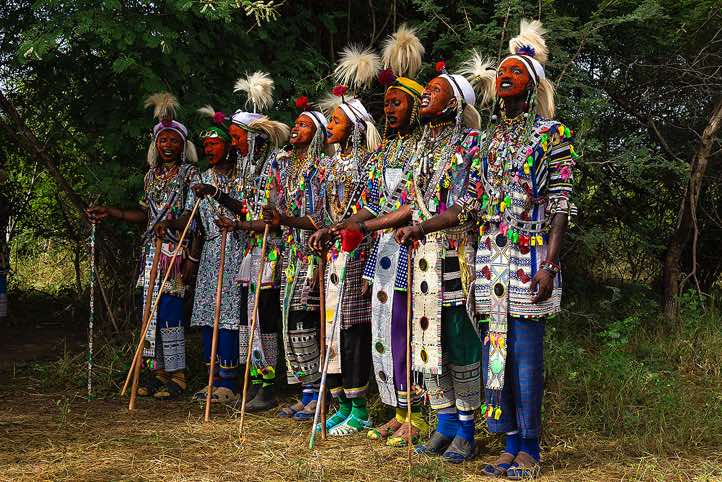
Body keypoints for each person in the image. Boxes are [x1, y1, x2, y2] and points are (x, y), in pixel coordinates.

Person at [398, 20, 578, 478]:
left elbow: (560, 206)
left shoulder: (552, 135)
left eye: (514, 72)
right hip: (489, 264)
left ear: (531, 83)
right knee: (494, 354)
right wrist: (422, 225)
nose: (504, 76)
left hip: (530, 257)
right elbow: (470, 205)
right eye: (501, 71)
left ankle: (531, 450)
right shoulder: (490, 141)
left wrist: (550, 266)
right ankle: (508, 442)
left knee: (524, 356)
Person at [318, 24, 429, 447]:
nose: (390, 110)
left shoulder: (422, 150)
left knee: (406, 329)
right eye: (387, 104)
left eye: (398, 103)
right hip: (383, 250)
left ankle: (414, 414)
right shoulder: (384, 154)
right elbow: (368, 202)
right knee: (385, 331)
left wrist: (367, 225)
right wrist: (344, 224)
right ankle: (398, 410)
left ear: (416, 107)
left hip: (409, 249)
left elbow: (410, 206)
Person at [86, 93, 199, 399]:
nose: (167, 145)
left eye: (173, 140)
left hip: (175, 252)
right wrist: (112, 213)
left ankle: (177, 375)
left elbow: (191, 216)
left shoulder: (190, 174)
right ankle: (156, 371)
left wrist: (172, 226)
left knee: (171, 311)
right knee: (149, 312)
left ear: (183, 145)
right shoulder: (150, 176)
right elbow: (146, 215)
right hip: (151, 250)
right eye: (162, 140)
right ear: (155, 144)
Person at [193, 72, 290, 412]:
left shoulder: (276, 165)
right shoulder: (251, 170)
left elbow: (271, 214)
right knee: (252, 319)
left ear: (253, 139)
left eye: (236, 138)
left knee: (263, 317)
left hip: (271, 251)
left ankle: (268, 386)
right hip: (252, 251)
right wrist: (219, 196)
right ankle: (258, 382)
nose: (234, 144)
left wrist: (241, 223)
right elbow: (247, 207)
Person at [308, 45, 383, 436]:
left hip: (356, 250)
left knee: (352, 328)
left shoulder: (369, 163)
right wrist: (322, 231)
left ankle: (359, 408)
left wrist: (343, 229)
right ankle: (338, 401)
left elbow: (373, 205)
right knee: (329, 327)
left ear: (355, 126)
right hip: (330, 252)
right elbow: (319, 209)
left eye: (337, 120)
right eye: (331, 120)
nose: (331, 125)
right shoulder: (325, 166)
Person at [163, 105, 246, 404]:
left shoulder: (241, 175)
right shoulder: (202, 177)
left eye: (215, 143)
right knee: (207, 315)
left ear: (228, 146)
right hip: (211, 250)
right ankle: (211, 379)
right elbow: (191, 219)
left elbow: (247, 209)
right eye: (206, 145)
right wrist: (169, 224)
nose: (210, 149)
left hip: (236, 247)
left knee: (228, 315)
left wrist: (217, 193)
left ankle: (230, 380)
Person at [262, 104, 330, 421]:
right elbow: (275, 205)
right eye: (295, 123)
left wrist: (285, 218)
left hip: (313, 253)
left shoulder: (322, 168)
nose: (296, 128)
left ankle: (320, 393)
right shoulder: (284, 167)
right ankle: (306, 392)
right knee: (290, 323)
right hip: (289, 252)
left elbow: (320, 218)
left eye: (304, 125)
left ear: (317, 133)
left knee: (306, 321)